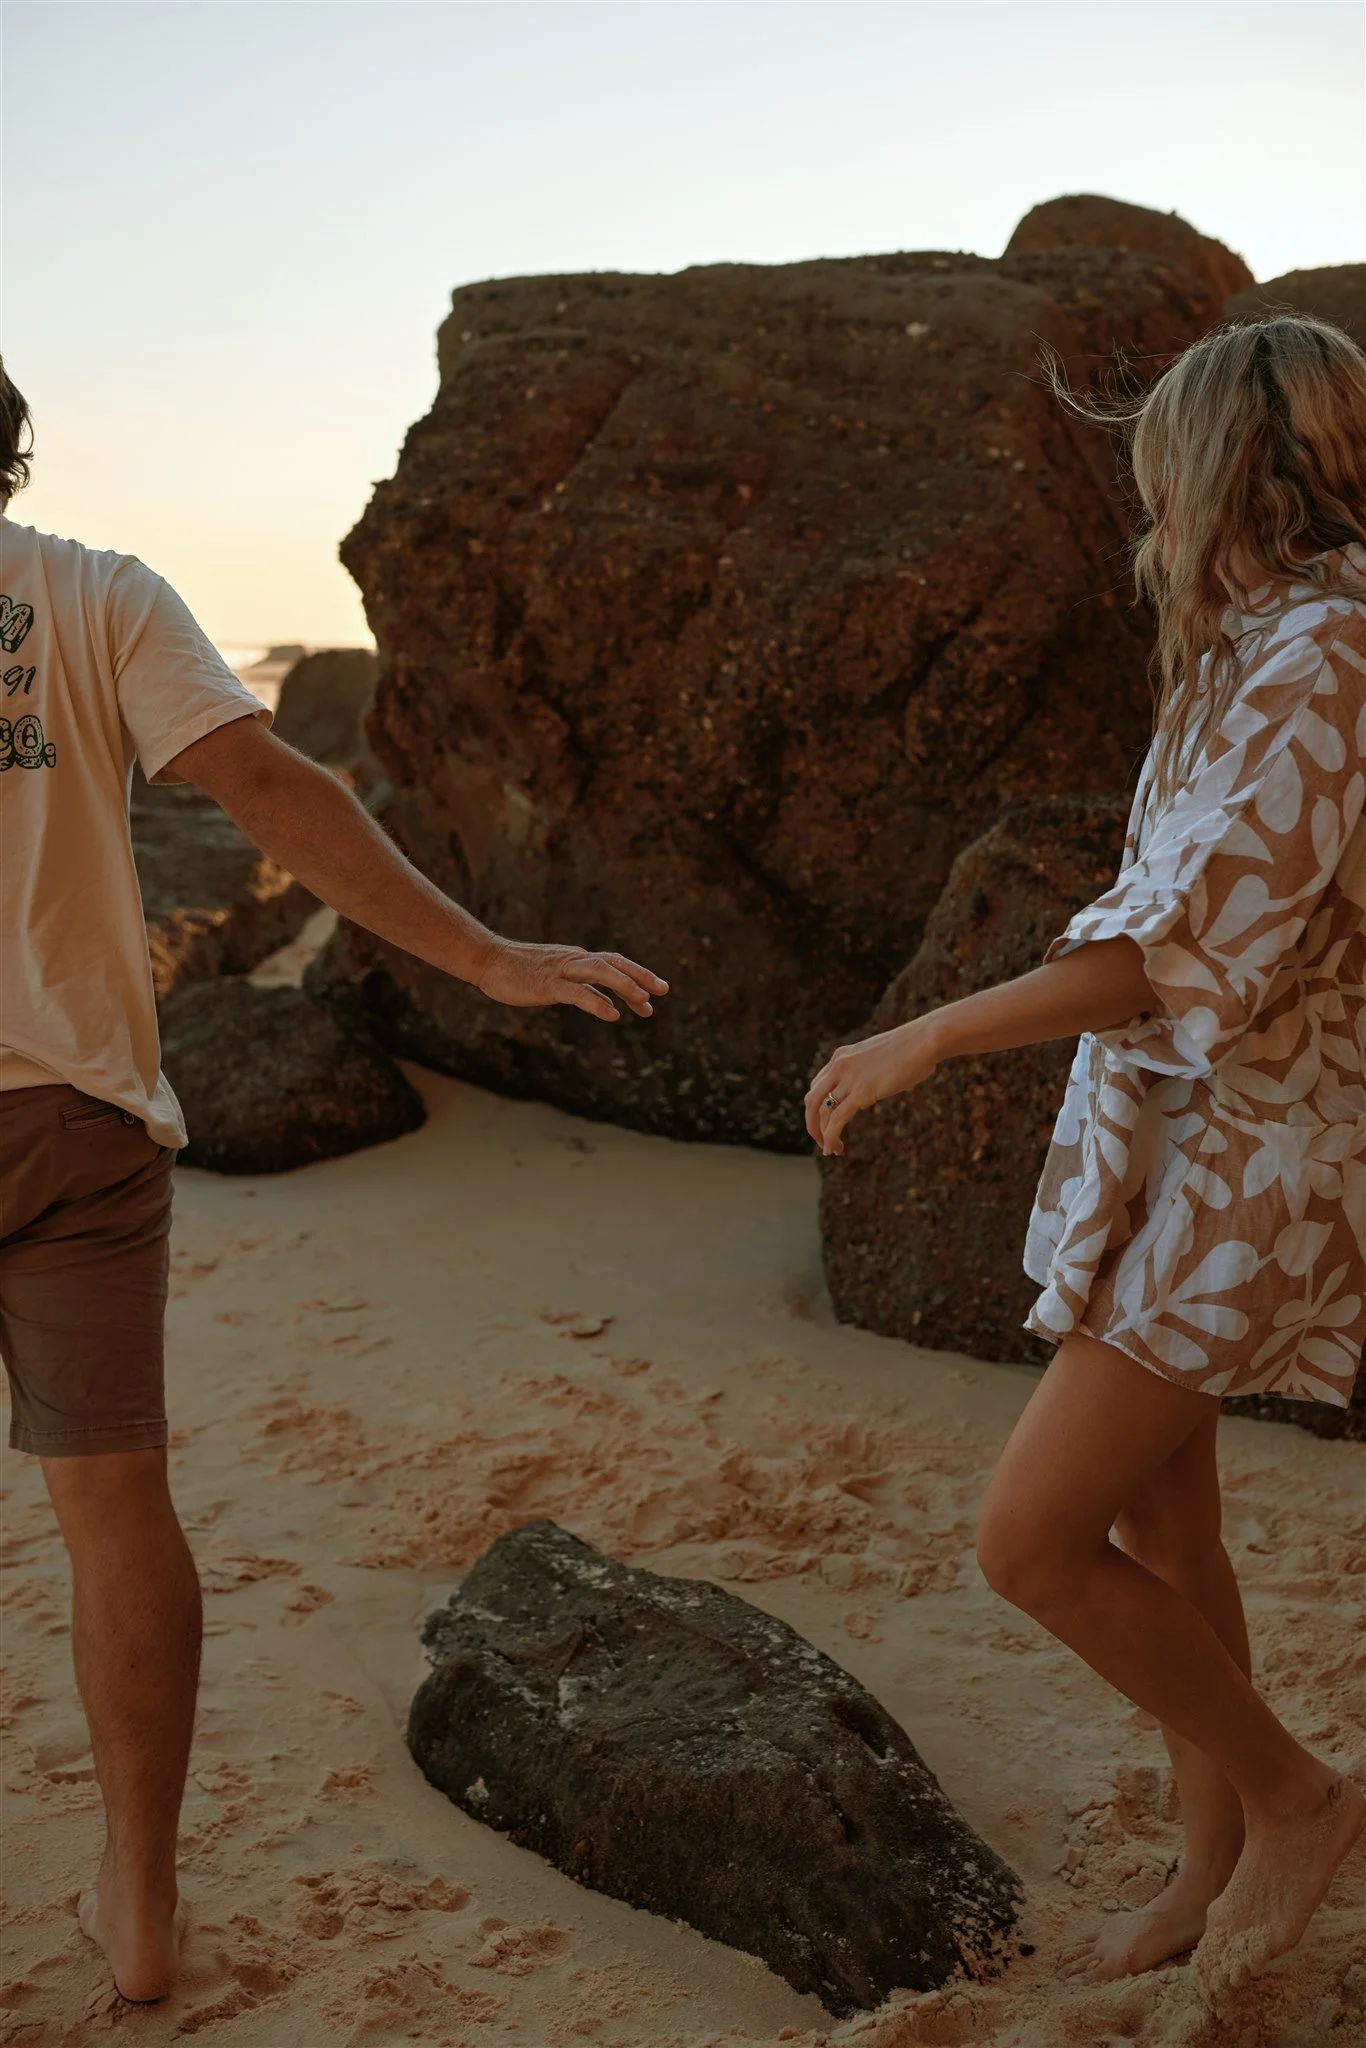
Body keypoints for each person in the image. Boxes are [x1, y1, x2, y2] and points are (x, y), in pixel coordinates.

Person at [0, 359, 667, 2004]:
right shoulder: (91, 597)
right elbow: (281, 796)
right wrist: (488, 955)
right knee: (113, 1512)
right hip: (73, 1110)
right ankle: (142, 1908)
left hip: (74, 1114)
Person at [806, 315, 1366, 1996]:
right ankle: (1209, 1862)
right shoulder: (1250, 649)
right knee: (1168, 1527)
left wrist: (926, 1033)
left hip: (1255, 1151)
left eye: (1156, 471)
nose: (1148, 511)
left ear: (1218, 468)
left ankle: (1294, 1797)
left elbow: (1190, 945)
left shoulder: (1326, 649)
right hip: (1178, 1138)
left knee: (1030, 1540)